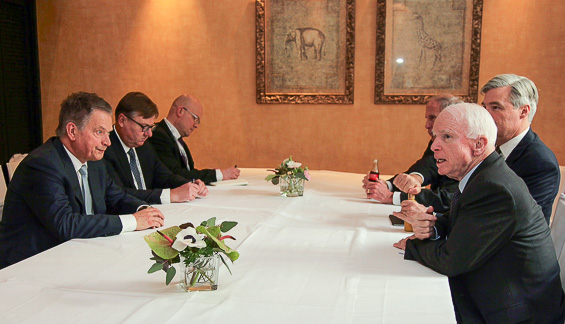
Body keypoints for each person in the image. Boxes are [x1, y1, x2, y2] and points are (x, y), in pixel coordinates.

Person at [393, 103, 565, 323]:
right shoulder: (485, 175)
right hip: (500, 293)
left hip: (514, 312)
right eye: (435, 137)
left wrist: (413, 245)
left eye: (446, 137)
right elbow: (467, 222)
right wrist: (433, 226)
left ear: (479, 145)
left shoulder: (494, 187)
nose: (434, 146)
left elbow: (450, 260)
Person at [0, 92, 165, 268]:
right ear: (72, 131)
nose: (107, 142)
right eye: (99, 132)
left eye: (108, 133)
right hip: (30, 266)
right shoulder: (42, 165)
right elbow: (65, 224)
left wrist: (144, 210)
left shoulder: (93, 162)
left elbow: (116, 197)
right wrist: (133, 221)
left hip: (77, 255)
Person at [103, 92, 208, 205]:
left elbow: (165, 177)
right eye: (144, 127)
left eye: (151, 127)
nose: (149, 134)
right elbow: (119, 193)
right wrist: (171, 195)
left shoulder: (144, 147)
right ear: (122, 121)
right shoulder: (106, 149)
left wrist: (191, 184)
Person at [481, 74, 560, 224]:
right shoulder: (488, 148)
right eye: (485, 107)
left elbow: (517, 220)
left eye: (496, 107)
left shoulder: (540, 163)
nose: (486, 114)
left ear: (523, 111)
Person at [362, 95, 462, 212]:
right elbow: (426, 167)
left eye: (432, 118)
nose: (427, 125)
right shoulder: (437, 141)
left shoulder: (463, 148)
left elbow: (448, 198)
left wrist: (392, 197)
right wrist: (386, 185)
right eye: (427, 118)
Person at [147, 94, 240, 184]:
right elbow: (175, 175)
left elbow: (188, 172)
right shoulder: (158, 135)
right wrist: (219, 174)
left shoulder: (176, 138)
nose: (196, 125)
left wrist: (213, 173)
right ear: (180, 111)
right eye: (195, 119)